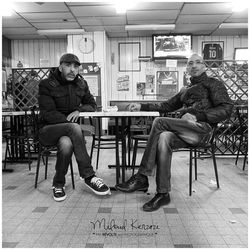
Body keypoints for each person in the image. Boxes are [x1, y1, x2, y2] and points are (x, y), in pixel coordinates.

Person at [116, 53, 233, 212]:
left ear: (204, 66)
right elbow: (166, 106)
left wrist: (198, 115)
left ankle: (142, 176)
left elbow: (226, 109)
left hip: (204, 131)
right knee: (164, 137)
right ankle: (163, 193)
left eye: (198, 62)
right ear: (187, 68)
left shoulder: (214, 84)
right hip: (187, 133)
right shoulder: (186, 90)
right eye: (190, 63)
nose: (194, 66)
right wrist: (142, 106)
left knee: (160, 122)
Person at [38, 53, 110, 202]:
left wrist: (80, 110)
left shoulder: (81, 84)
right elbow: (48, 114)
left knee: (66, 143)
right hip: (48, 130)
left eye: (76, 66)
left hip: (68, 134)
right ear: (60, 67)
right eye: (68, 65)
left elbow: (92, 105)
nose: (72, 69)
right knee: (73, 128)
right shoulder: (46, 84)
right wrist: (71, 124)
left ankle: (58, 184)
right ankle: (89, 176)